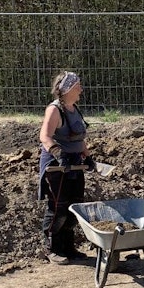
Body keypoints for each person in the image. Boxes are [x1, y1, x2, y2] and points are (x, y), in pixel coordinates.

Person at [38, 71, 94, 265]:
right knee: (58, 207)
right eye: (77, 86)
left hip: (75, 164)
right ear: (67, 89)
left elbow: (79, 138)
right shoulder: (54, 110)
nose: (81, 89)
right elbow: (45, 136)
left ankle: (68, 247)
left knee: (74, 206)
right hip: (58, 166)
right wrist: (58, 153)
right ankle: (52, 248)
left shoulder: (74, 108)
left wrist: (88, 157)